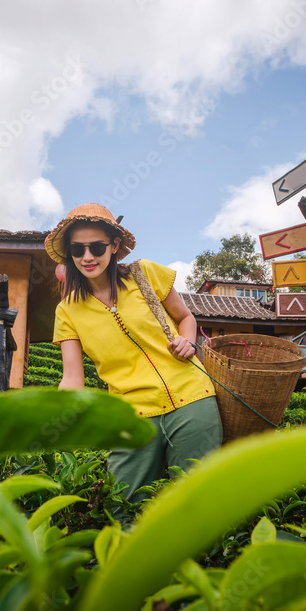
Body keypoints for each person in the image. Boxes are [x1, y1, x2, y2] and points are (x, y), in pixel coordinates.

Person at [47, 203, 222, 502]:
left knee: (197, 501)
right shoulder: (67, 310)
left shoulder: (145, 275)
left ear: (114, 245)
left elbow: (186, 318)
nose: (87, 257)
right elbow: (72, 378)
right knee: (124, 506)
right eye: (78, 249)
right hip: (131, 415)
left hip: (192, 397)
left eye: (97, 247)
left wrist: (188, 342)